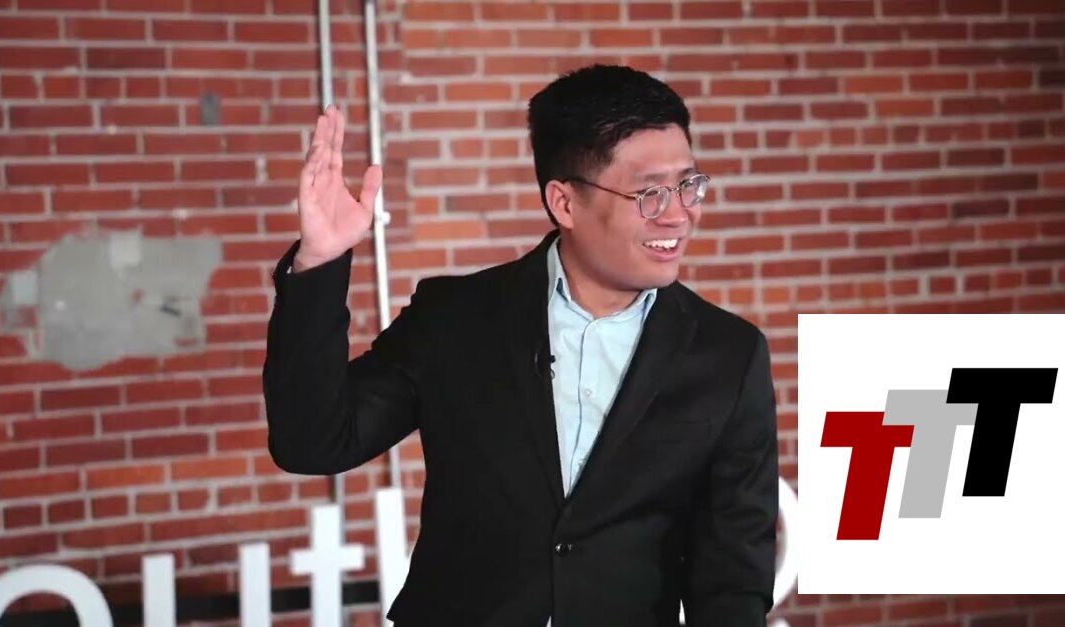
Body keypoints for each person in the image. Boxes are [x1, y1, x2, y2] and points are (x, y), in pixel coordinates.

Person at [263, 64, 779, 627]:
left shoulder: (729, 355)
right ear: (565, 203)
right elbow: (312, 443)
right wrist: (320, 262)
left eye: (688, 185)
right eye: (650, 193)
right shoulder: (454, 319)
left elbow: (733, 577)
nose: (678, 215)